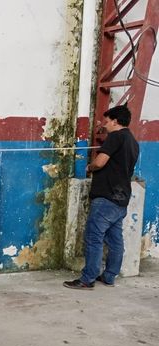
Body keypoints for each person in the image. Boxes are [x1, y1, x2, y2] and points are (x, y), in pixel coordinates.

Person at [64, 104, 139, 290]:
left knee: (93, 237)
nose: (104, 125)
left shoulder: (115, 137)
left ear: (115, 121)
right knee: (115, 240)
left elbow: (100, 162)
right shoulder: (133, 141)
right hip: (121, 198)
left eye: (106, 122)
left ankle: (87, 279)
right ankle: (109, 276)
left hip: (106, 197)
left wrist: (90, 167)